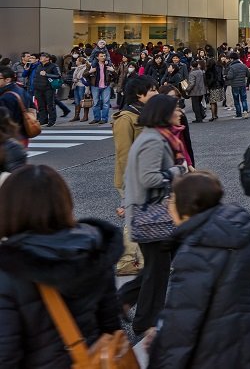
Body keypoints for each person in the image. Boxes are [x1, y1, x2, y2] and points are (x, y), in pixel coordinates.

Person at [0, 165, 124, 367]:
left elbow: (6, 355)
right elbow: (110, 326)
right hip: (93, 361)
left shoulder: (9, 270)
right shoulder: (94, 248)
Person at [146, 172, 250, 368]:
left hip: (212, 355)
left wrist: (158, 349)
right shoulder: (237, 235)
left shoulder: (197, 252)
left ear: (187, 208)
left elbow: (181, 322)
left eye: (172, 199)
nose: (168, 205)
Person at [121, 94, 191, 334]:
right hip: (151, 214)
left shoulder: (160, 137)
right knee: (157, 271)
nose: (180, 111)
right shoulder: (153, 140)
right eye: (175, 108)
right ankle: (147, 320)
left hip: (152, 212)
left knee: (155, 268)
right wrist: (177, 170)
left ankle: (122, 302)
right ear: (164, 113)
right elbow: (148, 178)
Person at [112, 76, 159, 277]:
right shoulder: (126, 118)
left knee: (149, 216)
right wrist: (130, 182)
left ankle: (147, 258)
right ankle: (125, 261)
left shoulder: (146, 114)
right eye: (153, 90)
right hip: (132, 177)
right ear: (140, 94)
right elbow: (123, 154)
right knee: (134, 218)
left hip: (148, 175)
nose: (156, 93)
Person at [87, 52, 116, 125]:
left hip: (106, 86)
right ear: (97, 57)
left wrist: (113, 71)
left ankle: (104, 119)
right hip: (95, 86)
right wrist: (90, 71)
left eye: (104, 56)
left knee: (106, 103)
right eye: (101, 56)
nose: (103, 57)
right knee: (96, 103)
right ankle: (96, 118)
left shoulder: (109, 65)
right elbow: (84, 75)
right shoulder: (92, 65)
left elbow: (116, 76)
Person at [225, 52, 250, 118]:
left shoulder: (232, 67)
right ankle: (245, 112)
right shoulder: (243, 65)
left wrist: (226, 77)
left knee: (236, 100)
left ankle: (239, 114)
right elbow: (249, 74)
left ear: (232, 59)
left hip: (235, 85)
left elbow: (230, 76)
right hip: (242, 84)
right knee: (244, 99)